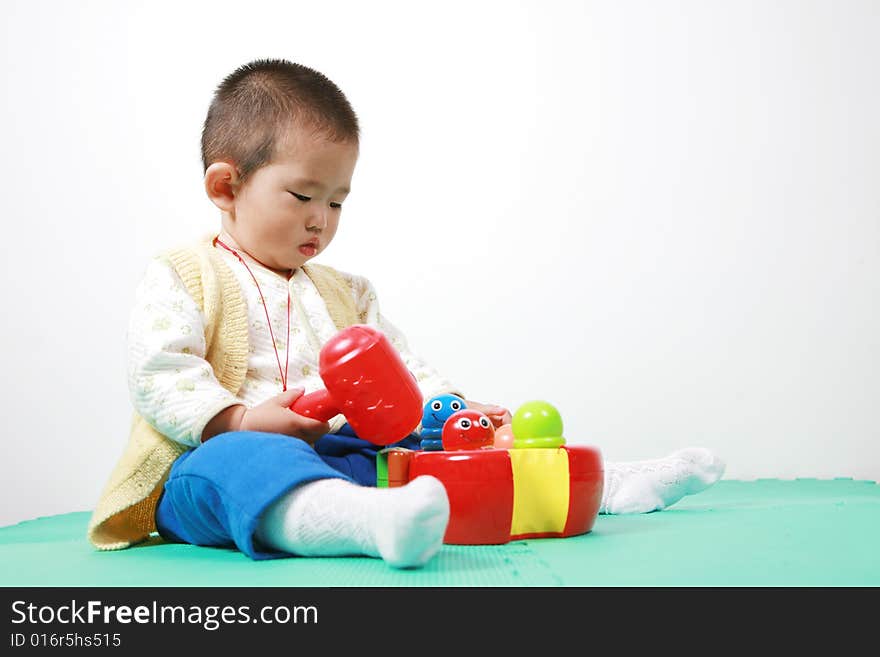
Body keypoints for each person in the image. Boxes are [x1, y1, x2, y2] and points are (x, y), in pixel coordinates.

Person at [87, 59, 724, 569]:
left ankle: (596, 487)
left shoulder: (348, 293)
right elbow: (159, 372)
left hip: (342, 452)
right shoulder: (184, 273)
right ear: (226, 187)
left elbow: (403, 369)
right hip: (215, 467)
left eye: (338, 201)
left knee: (425, 452)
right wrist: (241, 418)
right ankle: (366, 522)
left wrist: (455, 412)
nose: (322, 219)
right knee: (243, 466)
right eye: (304, 195)